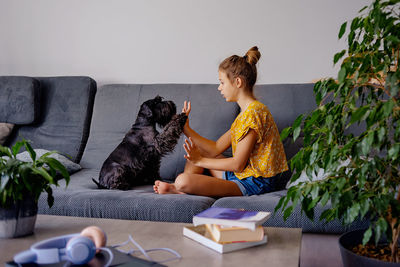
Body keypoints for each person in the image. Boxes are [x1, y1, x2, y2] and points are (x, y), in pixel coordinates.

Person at [153, 46, 288, 197]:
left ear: (238, 82)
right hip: (243, 175)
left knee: (182, 180)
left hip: (255, 183)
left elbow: (237, 164)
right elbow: (216, 147)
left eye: (222, 82)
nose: (219, 88)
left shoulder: (253, 114)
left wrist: (200, 161)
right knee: (199, 150)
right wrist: (186, 128)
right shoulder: (246, 114)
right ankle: (181, 189)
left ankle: (180, 188)